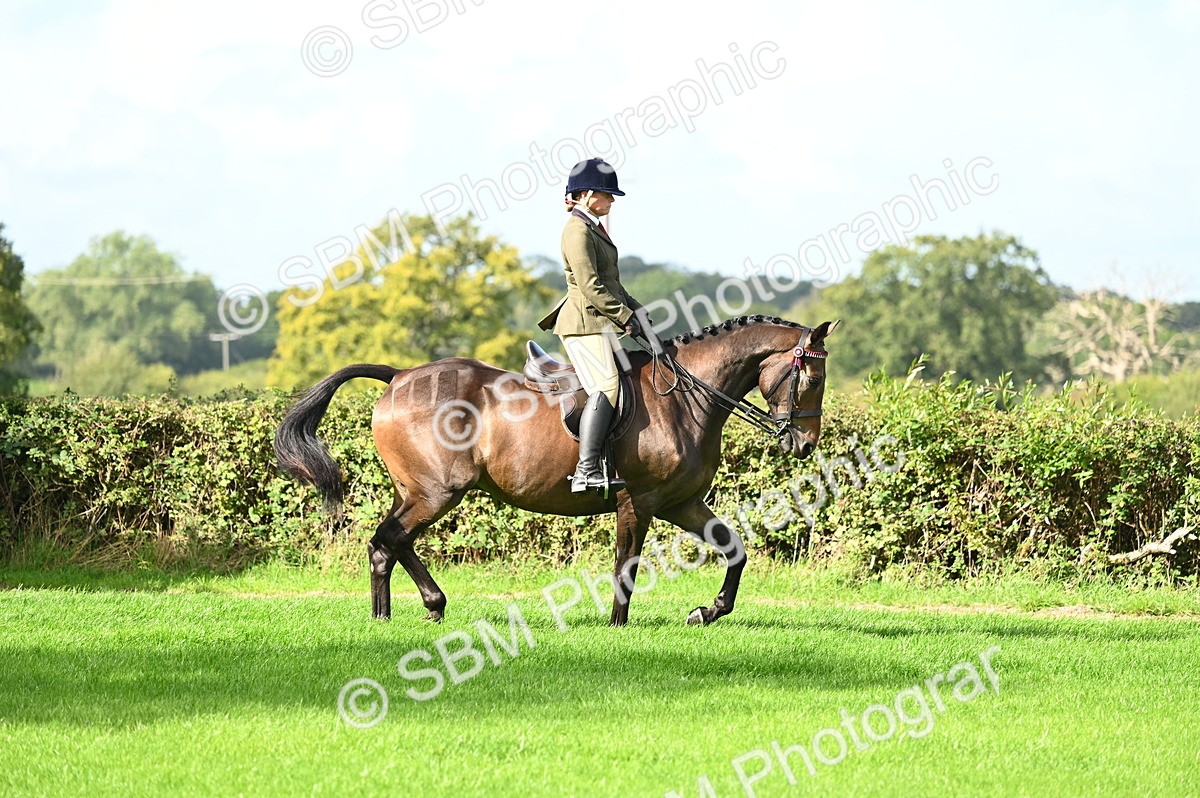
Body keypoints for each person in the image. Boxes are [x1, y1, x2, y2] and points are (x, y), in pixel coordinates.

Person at [537, 157, 645, 493]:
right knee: (607, 387)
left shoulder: (591, 227)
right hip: (582, 323)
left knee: (627, 377)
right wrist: (624, 317)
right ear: (586, 194)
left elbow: (611, 282)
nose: (611, 201)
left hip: (597, 321)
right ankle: (586, 470)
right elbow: (590, 285)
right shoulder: (576, 230)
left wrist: (637, 310)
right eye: (607, 194)